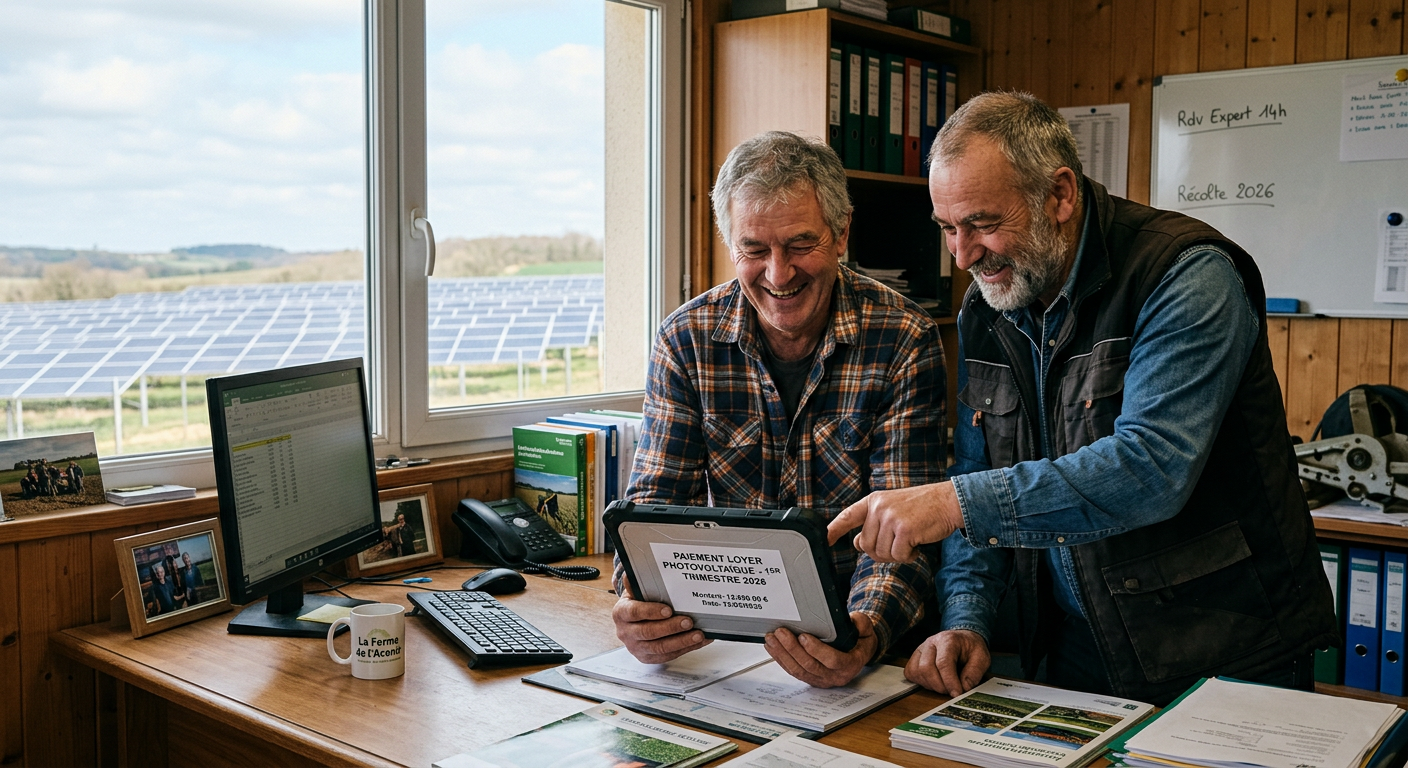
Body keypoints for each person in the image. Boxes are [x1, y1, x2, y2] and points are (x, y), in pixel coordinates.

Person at [828, 92, 1337, 705]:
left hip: (1223, 649)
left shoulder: (1185, 274)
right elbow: (977, 471)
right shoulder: (990, 307)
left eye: (984, 224)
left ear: (1060, 195)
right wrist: (966, 617)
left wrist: (955, 501)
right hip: (1073, 650)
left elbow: (1151, 467)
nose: (962, 256)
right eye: (947, 229)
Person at [613, 131, 947, 688]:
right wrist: (635, 604)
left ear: (841, 234)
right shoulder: (685, 340)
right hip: (722, 646)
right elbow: (652, 507)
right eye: (754, 250)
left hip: (862, 649)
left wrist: (862, 633)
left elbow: (904, 530)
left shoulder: (904, 337)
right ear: (730, 244)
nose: (778, 273)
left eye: (799, 244)